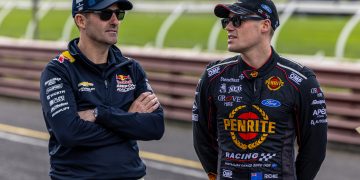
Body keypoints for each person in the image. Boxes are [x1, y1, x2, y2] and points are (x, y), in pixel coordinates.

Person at [192, 0, 327, 179]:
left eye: (237, 21)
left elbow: (314, 149)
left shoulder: (301, 80)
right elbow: (202, 140)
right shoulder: (213, 76)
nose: (228, 27)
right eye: (226, 22)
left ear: (265, 25)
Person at [40, 0, 165, 179]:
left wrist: (100, 114)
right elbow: (69, 133)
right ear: (81, 21)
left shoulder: (131, 67)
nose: (115, 21)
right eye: (106, 14)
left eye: (119, 14)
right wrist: (129, 120)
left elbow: (155, 127)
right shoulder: (58, 70)